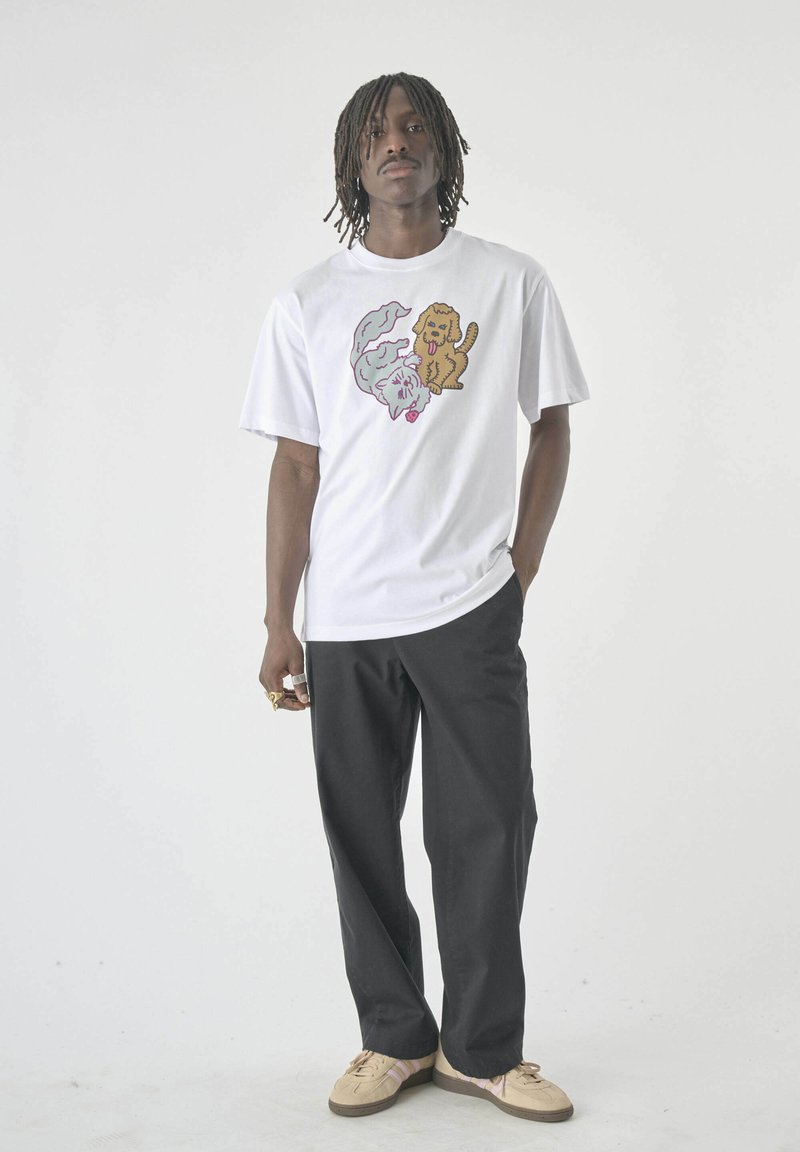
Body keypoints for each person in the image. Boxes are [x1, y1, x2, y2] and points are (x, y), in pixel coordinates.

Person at [239, 72, 590, 1123]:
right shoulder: (306, 302)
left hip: (469, 604)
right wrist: (278, 620)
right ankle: (392, 1037)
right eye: (377, 132)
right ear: (352, 160)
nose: (396, 142)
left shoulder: (509, 281)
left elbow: (552, 425)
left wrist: (521, 564)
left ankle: (482, 1049)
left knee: (490, 823)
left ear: (445, 149)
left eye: (414, 126)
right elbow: (294, 466)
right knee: (360, 833)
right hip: (347, 612)